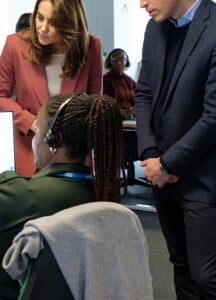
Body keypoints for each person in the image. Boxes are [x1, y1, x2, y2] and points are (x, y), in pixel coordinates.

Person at [134, 0, 216, 299]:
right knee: (181, 267)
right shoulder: (155, 28)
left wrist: (167, 165)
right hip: (161, 172)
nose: (141, 3)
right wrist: (150, 155)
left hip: (204, 176)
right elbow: (144, 93)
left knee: (206, 275)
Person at [0, 93, 122, 299]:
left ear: (54, 139)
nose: (34, 139)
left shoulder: (17, 194)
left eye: (37, 130)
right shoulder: (106, 198)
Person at [0, 0, 103, 176]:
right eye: (39, 18)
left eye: (53, 22)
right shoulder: (15, 45)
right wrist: (33, 123)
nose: (42, 28)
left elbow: (94, 105)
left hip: (73, 155)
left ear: (70, 23)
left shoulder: (91, 47)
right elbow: (1, 96)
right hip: (28, 149)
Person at [103, 48, 136, 119]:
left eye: (122, 59)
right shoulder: (105, 80)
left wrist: (135, 109)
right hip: (113, 118)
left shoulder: (130, 81)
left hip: (131, 118)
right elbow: (103, 105)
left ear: (126, 62)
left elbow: (138, 100)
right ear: (109, 62)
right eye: (114, 59)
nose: (118, 62)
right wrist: (121, 112)